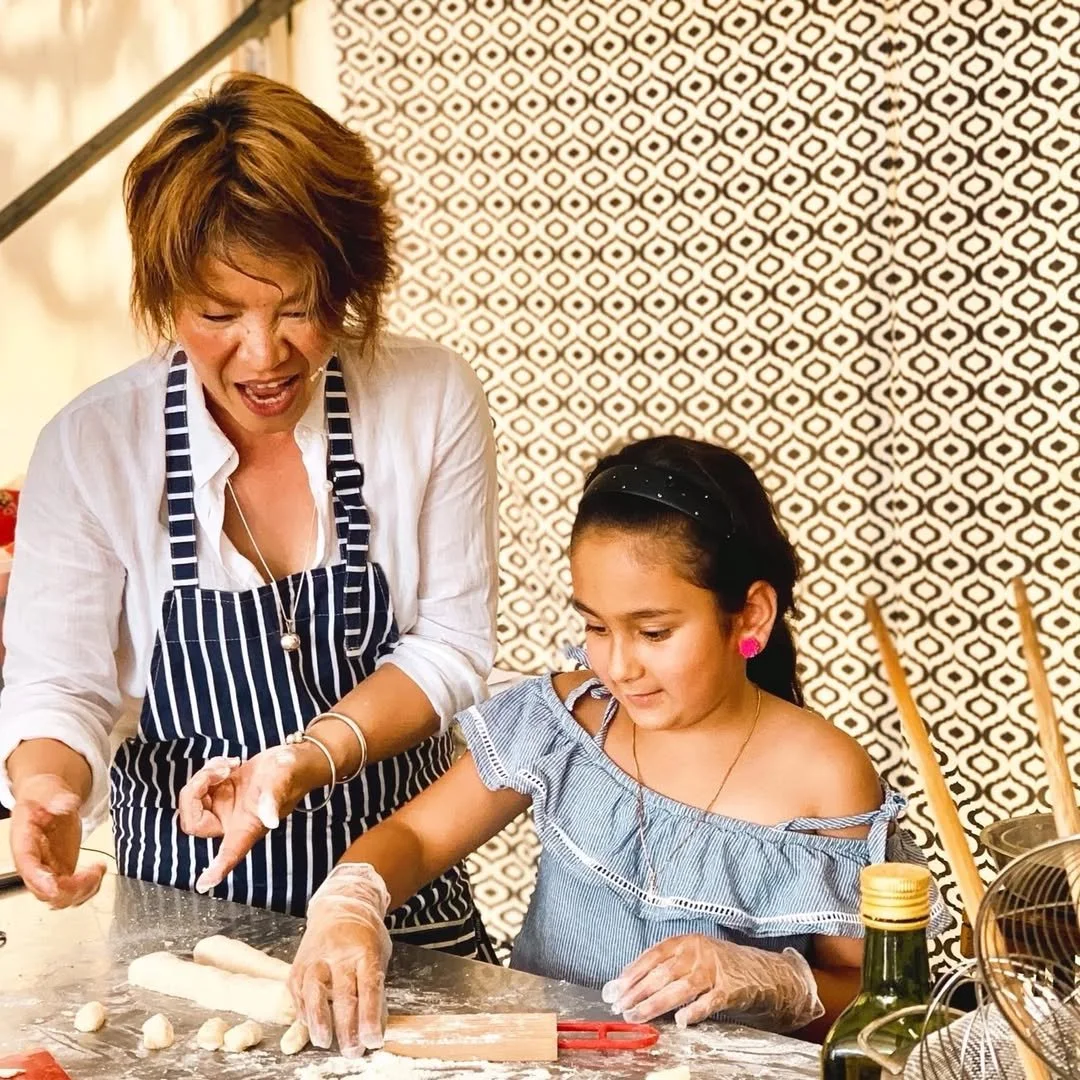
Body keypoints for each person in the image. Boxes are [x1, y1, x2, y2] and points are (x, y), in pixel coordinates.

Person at [0, 74, 499, 959]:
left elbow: (452, 649)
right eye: (218, 314)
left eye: (299, 308)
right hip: (181, 930)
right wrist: (47, 787)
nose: (265, 355)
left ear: (348, 283)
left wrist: (305, 756)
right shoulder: (93, 445)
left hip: (401, 917)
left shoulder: (428, 399)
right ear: (165, 299)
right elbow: (60, 687)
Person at [284, 435, 950, 1056]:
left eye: (654, 633)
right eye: (597, 627)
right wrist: (351, 902)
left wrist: (778, 982)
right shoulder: (569, 719)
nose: (620, 667)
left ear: (750, 614)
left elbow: (877, 1001)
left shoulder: (825, 775)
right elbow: (415, 838)